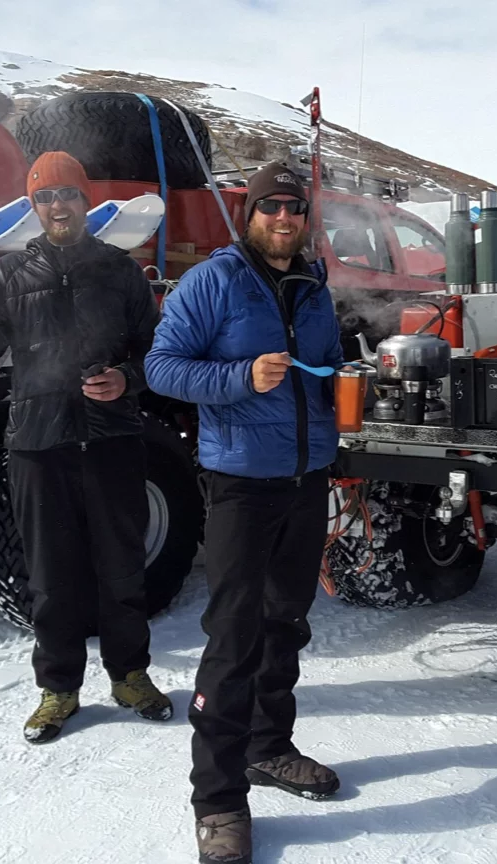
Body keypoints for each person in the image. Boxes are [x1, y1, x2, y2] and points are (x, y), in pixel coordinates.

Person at [0, 150, 173, 745]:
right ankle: (58, 689)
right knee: (50, 576)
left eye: (67, 194)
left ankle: (130, 674)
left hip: (112, 438)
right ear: (34, 207)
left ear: (86, 202)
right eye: (44, 197)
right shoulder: (11, 274)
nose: (57, 205)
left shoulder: (120, 271)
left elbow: (156, 353)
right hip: (38, 443)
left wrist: (125, 379)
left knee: (121, 566)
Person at [145, 161, 342, 864]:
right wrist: (237, 377)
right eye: (270, 207)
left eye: (294, 207)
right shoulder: (213, 281)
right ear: (249, 214)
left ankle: (269, 748)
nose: (283, 218)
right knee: (233, 638)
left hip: (306, 478)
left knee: (286, 622)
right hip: (240, 484)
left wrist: (352, 393)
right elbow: (161, 368)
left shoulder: (315, 287)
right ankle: (219, 799)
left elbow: (325, 370)